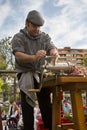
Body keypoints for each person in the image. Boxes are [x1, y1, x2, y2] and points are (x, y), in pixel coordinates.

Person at [12, 10, 60, 130]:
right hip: (25, 74)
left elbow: (52, 47)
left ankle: (50, 127)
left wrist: (54, 52)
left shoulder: (44, 37)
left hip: (41, 74)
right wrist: (34, 57)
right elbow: (18, 55)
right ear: (27, 23)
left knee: (46, 105)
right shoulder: (18, 37)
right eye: (34, 26)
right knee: (27, 107)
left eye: (39, 26)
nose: (37, 29)